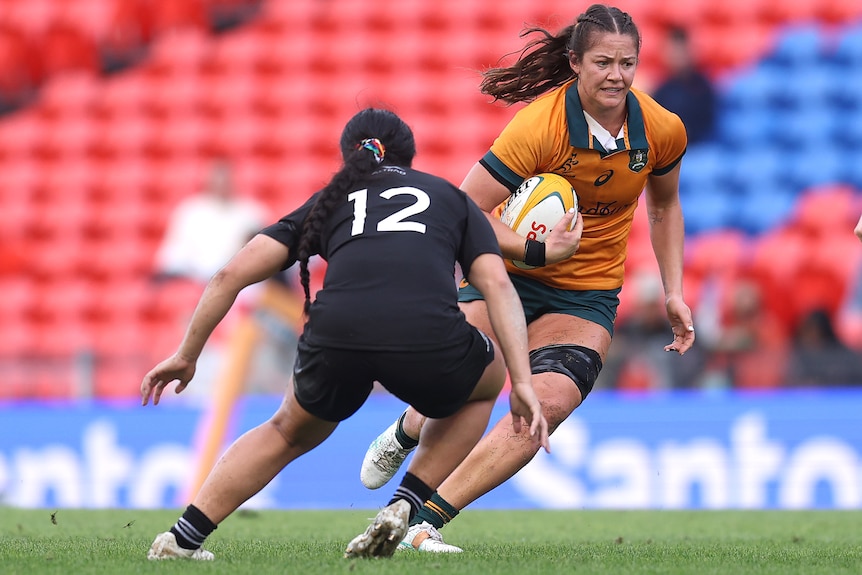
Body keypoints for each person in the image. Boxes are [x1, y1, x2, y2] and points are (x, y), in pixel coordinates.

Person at [141, 108, 549, 561]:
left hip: (337, 333)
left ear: (348, 157)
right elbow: (496, 286)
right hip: (426, 334)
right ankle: (404, 506)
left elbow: (228, 277)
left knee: (285, 432)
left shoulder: (332, 198)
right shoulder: (448, 197)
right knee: (483, 384)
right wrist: (523, 382)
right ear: (409, 158)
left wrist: (187, 355)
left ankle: (182, 538)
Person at [359, 4, 695, 553]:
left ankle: (423, 523)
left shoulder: (661, 129)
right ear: (575, 63)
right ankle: (408, 427)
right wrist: (538, 248)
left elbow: (664, 208)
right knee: (469, 383)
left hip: (586, 294)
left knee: (549, 402)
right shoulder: (539, 126)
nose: (617, 75)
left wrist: (674, 290)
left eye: (627, 63)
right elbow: (465, 210)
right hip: (507, 275)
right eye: (603, 62)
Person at [153, 158, 269, 285]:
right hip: (195, 280)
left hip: (242, 281)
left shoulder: (251, 213)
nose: (221, 184)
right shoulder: (190, 212)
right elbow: (174, 255)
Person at [650, 26, 717, 145]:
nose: (677, 56)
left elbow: (710, 123)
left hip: (699, 148)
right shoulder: (661, 91)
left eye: (680, 50)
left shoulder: (704, 88)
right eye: (673, 51)